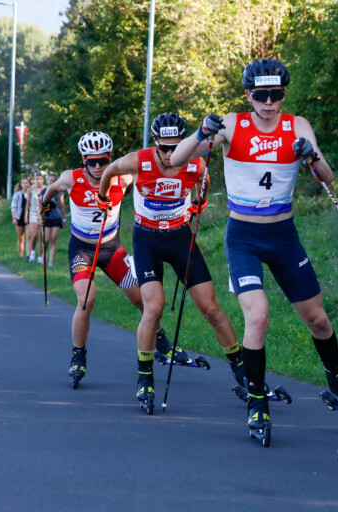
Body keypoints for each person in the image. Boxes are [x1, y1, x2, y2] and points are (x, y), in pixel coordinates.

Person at [171, 59, 338, 438]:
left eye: (276, 95)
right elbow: (178, 158)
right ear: (249, 95)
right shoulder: (232, 124)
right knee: (258, 316)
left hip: (284, 238)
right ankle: (257, 401)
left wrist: (311, 155)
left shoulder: (297, 126)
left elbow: (327, 177)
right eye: (261, 95)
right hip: (243, 238)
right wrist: (201, 132)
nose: (268, 102)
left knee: (318, 319)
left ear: (283, 94)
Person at [96, 114, 241, 410]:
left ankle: (242, 370)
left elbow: (203, 179)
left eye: (176, 147)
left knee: (211, 309)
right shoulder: (139, 161)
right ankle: (145, 376)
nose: (171, 153)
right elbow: (110, 170)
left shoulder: (195, 162)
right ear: (155, 143)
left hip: (179, 237)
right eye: (164, 147)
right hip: (147, 239)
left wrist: (200, 201)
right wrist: (103, 197)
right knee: (153, 308)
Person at [40, 131, 194, 392]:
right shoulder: (71, 178)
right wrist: (44, 205)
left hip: (112, 249)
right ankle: (78, 356)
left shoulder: (122, 178)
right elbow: (50, 191)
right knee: (86, 300)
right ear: (84, 160)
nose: (98, 167)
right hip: (83, 250)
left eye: (103, 160)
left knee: (141, 300)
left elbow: (153, 172)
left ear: (110, 157)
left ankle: (161, 342)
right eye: (92, 162)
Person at [39, 173, 65, 267]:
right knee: (46, 239)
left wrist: (64, 219)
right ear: (47, 181)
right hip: (46, 217)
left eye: (53, 181)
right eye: (50, 180)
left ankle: (51, 261)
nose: (51, 182)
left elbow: (62, 205)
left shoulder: (59, 191)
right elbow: (40, 205)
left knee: (54, 239)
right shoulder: (43, 191)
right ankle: (44, 254)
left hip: (56, 217)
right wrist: (40, 218)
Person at [24, 173, 45, 263]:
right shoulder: (30, 189)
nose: (38, 181)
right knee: (34, 234)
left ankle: (40, 256)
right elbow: (27, 204)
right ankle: (32, 252)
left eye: (40, 179)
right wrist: (26, 216)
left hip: (42, 214)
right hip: (33, 214)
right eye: (37, 179)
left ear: (42, 180)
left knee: (41, 237)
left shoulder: (46, 189)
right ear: (34, 180)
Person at [10, 176, 30, 258]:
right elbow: (13, 207)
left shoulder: (31, 194)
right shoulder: (17, 195)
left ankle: (28, 255)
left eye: (26, 183)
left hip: (29, 218)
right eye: (23, 183)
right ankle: (20, 255)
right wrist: (14, 218)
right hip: (19, 217)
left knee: (29, 237)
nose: (25, 184)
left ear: (29, 184)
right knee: (21, 237)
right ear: (21, 185)